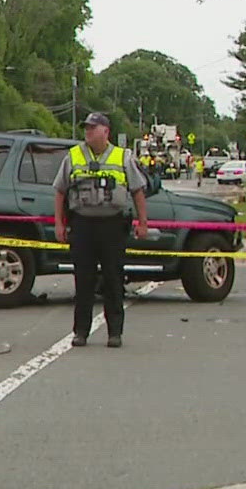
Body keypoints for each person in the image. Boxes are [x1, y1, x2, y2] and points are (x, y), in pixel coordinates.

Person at [54, 112, 149, 348]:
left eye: (92, 128)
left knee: (113, 279)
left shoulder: (122, 157)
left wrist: (143, 222)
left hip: (112, 225)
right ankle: (81, 332)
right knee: (83, 280)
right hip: (82, 224)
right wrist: (59, 223)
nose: (88, 132)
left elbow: (137, 191)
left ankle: (114, 332)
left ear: (106, 131)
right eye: (86, 128)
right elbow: (60, 191)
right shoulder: (73, 156)